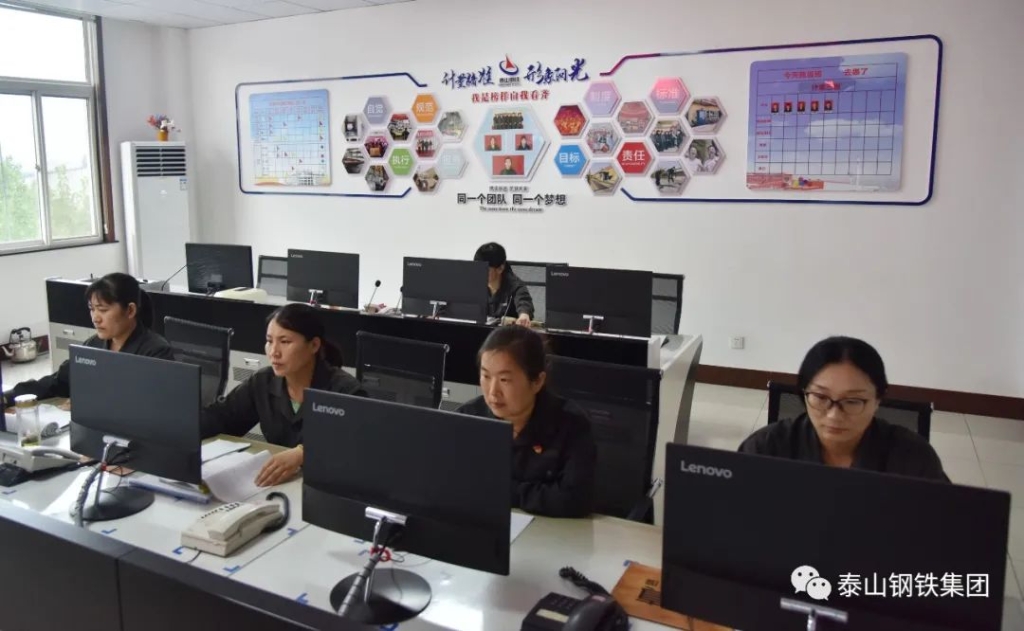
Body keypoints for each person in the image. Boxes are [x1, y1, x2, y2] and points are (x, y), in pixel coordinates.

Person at [201, 303, 367, 487]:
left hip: (327, 488)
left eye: (285, 342)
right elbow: (222, 418)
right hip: (280, 486)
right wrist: (183, 426)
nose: (274, 352)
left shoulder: (345, 390)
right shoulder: (263, 381)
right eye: (269, 341)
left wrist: (303, 453)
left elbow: (358, 448)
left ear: (314, 345)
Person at [739, 336, 949, 482]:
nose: (834, 415)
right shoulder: (765, 448)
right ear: (804, 393)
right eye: (821, 397)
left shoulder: (913, 458)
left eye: (853, 401)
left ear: (878, 399)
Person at [456, 326, 596, 517]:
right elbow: (450, 480)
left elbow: (574, 499)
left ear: (537, 382)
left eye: (504, 380)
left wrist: (508, 492)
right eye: (486, 376)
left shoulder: (571, 426)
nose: (493, 392)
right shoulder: (468, 418)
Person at [2, 273, 174, 407]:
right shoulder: (94, 344)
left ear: (130, 311)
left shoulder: (155, 351)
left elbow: (148, 404)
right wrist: (7, 397)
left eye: (103, 310)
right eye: (92, 309)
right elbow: (58, 382)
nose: (95, 318)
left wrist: (90, 404)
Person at [474, 242, 534, 326]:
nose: (479, 273)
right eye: (477, 268)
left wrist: (524, 315)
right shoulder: (476, 285)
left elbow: (523, 301)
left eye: (485, 269)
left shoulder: (515, 286)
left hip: (508, 332)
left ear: (500, 268)